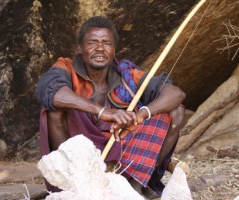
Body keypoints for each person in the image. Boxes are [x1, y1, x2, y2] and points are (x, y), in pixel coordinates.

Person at [35, 16, 186, 197]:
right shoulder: (66, 67)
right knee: (54, 108)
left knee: (175, 111)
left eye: (106, 43)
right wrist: (102, 112)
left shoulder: (127, 75)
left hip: (121, 149)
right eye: (92, 42)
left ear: (114, 50)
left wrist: (141, 115)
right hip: (80, 158)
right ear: (80, 48)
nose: (100, 48)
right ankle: (73, 186)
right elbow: (50, 91)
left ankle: (136, 183)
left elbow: (175, 93)